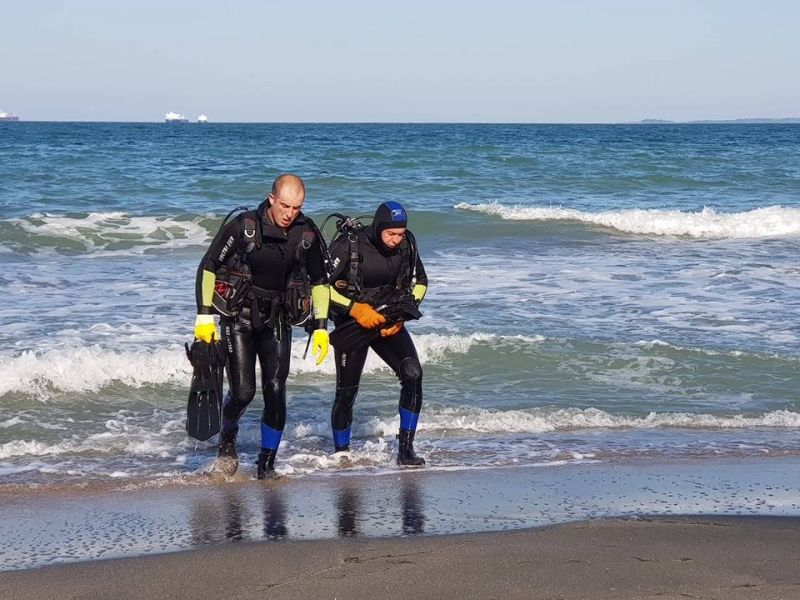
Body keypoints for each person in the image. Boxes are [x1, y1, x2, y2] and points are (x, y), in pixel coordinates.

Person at [193, 174, 330, 478]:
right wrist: (204, 315)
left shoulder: (306, 234)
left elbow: (321, 282)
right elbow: (208, 266)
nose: (289, 213)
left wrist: (321, 326)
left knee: (276, 389)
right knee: (243, 393)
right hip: (239, 316)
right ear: (271, 199)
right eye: (284, 205)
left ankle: (266, 465)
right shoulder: (244, 226)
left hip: (278, 318)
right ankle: (227, 442)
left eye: (296, 207)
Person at [328, 201, 428, 466]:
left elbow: (421, 282)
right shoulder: (349, 245)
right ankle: (342, 452)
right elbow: (319, 287)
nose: (397, 239)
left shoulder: (407, 244)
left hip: (388, 321)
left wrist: (404, 315)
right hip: (353, 325)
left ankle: (406, 450)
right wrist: (354, 309)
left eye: (401, 233)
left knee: (413, 374)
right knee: (347, 392)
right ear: (378, 228)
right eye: (391, 234)